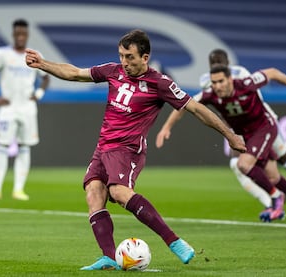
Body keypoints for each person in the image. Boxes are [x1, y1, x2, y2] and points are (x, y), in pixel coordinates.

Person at [25, 29, 245, 270]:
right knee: (93, 192)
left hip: (128, 149)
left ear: (145, 57)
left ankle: (174, 241)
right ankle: (109, 257)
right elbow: (76, 73)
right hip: (103, 147)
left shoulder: (160, 83)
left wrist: (230, 134)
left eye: (129, 56)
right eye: (121, 55)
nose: (124, 62)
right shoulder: (113, 71)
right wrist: (42, 64)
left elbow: (196, 108)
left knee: (118, 192)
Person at [156, 64, 286, 226]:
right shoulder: (211, 94)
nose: (217, 86)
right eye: (214, 82)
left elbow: (272, 72)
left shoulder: (246, 84)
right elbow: (185, 105)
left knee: (243, 165)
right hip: (247, 136)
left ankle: (275, 196)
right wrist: (167, 127)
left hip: (264, 128)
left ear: (230, 79)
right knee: (273, 177)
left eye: (221, 81)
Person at [196, 49, 286, 217]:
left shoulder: (240, 74)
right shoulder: (207, 81)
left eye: (220, 65)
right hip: (240, 128)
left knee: (285, 160)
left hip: (261, 121)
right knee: (239, 165)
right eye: (214, 65)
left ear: (228, 65)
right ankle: (272, 202)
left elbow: (256, 94)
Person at [0, 19, 50, 201]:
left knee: (24, 147)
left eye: (23, 34)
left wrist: (39, 94)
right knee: (2, 146)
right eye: (17, 33)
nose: (20, 37)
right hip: (8, 108)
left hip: (27, 108)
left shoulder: (34, 55)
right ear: (13, 34)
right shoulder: (2, 54)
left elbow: (45, 77)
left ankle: (18, 190)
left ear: (27, 35)